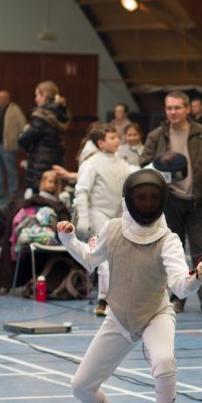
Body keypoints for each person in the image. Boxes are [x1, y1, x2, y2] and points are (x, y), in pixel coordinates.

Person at [57, 170, 202, 403]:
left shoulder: (168, 239)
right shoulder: (113, 229)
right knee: (81, 386)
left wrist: (199, 275)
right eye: (141, 198)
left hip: (155, 314)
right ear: (129, 200)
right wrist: (67, 238)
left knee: (164, 362)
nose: (146, 204)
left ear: (162, 201)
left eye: (152, 198)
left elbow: (179, 286)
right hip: (118, 317)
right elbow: (90, 259)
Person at [140, 91, 202, 315]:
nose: (173, 112)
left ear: (187, 109)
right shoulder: (157, 136)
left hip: (198, 201)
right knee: (173, 252)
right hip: (169, 203)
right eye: (169, 108)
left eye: (177, 108)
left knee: (201, 251)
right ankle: (176, 298)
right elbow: (144, 163)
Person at [74, 126, 138, 316]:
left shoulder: (121, 163)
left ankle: (118, 299)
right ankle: (103, 300)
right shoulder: (91, 163)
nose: (117, 141)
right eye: (112, 138)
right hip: (97, 214)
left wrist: (159, 168)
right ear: (101, 143)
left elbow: (137, 172)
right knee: (105, 257)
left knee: (122, 257)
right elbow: (81, 192)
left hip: (117, 215)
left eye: (117, 137)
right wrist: (84, 218)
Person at [18, 80, 70, 193]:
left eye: (37, 95)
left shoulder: (41, 116)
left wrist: (23, 135)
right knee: (54, 193)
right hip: (58, 159)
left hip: (40, 163)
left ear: (44, 96)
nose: (35, 99)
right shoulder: (61, 113)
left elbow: (25, 139)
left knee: (39, 195)